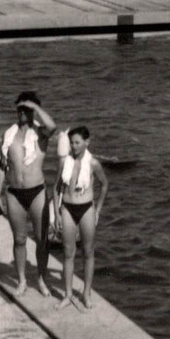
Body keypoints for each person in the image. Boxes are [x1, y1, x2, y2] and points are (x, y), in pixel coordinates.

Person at [0, 92, 66, 296]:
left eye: (26, 109)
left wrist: (34, 107)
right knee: (19, 239)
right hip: (13, 193)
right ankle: (21, 280)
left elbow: (53, 127)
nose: (22, 112)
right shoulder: (8, 134)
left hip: (37, 192)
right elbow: (2, 166)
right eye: (20, 108)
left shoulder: (40, 134)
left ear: (34, 111)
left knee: (42, 239)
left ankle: (42, 280)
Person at [56, 125, 107, 311]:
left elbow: (105, 184)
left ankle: (86, 293)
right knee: (68, 253)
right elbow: (56, 188)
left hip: (86, 208)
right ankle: (68, 294)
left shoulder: (93, 163)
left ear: (87, 142)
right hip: (67, 208)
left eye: (77, 142)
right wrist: (57, 212)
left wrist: (98, 210)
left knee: (88, 252)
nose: (74, 146)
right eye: (71, 143)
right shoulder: (64, 162)